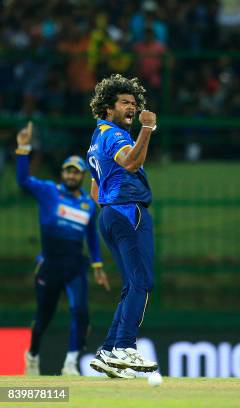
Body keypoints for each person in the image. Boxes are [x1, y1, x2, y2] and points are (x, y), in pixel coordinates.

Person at [16, 122, 110, 376]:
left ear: (81, 176)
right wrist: (23, 147)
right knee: (44, 317)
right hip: (49, 265)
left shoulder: (87, 204)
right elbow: (23, 181)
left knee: (80, 311)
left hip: (75, 266)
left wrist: (97, 265)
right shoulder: (49, 191)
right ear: (62, 173)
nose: (71, 175)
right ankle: (32, 355)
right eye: (67, 171)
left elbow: (91, 236)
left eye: (76, 172)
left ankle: (70, 363)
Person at [86, 74, 158, 377]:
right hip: (128, 210)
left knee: (132, 283)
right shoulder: (114, 134)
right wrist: (147, 128)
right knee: (141, 281)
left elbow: (94, 190)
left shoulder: (96, 138)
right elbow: (131, 163)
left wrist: (110, 210)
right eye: (124, 102)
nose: (131, 107)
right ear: (108, 108)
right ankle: (125, 348)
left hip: (111, 213)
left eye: (134, 103)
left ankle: (107, 351)